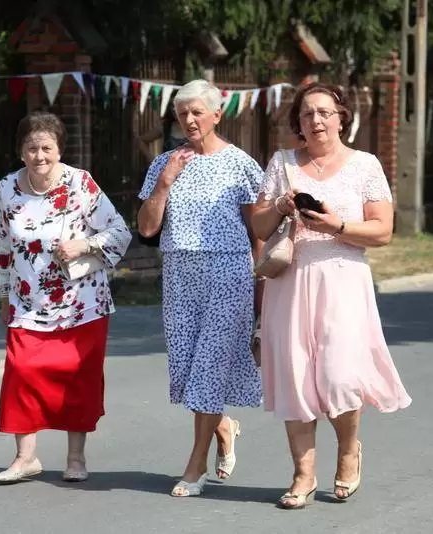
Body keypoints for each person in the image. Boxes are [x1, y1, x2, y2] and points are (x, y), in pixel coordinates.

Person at [251, 82, 412, 509]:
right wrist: (281, 207)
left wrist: (337, 226)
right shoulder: (282, 163)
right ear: (298, 123)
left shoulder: (365, 165)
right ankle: (302, 475)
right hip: (289, 283)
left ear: (342, 117)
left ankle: (348, 450)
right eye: (307, 114)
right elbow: (259, 227)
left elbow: (383, 230)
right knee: (296, 378)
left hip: (343, 281)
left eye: (324, 112)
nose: (316, 120)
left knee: (340, 375)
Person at [137, 79, 264, 497]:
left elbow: (259, 231)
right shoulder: (165, 163)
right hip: (180, 275)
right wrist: (164, 183)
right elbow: (147, 228)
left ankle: (196, 467)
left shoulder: (241, 164)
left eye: (197, 112)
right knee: (189, 367)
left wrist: (262, 284)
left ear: (216, 114)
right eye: (182, 113)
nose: (189, 120)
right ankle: (223, 425)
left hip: (229, 273)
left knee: (208, 366)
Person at [0, 111, 132, 484]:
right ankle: (25, 458)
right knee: (21, 373)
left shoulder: (80, 183)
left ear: (59, 150)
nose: (39, 156)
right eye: (31, 148)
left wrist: (82, 244)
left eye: (46, 148)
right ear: (21, 151)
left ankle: (76, 458)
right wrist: (4, 293)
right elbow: (5, 245)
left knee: (77, 380)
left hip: (81, 303)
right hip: (26, 301)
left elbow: (120, 231)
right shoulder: (7, 187)